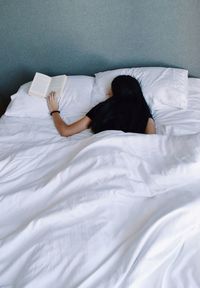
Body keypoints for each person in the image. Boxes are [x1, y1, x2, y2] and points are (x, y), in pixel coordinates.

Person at [47, 75, 156, 137]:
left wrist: (54, 111)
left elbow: (65, 131)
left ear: (115, 91)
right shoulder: (143, 110)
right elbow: (152, 141)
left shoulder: (104, 108)